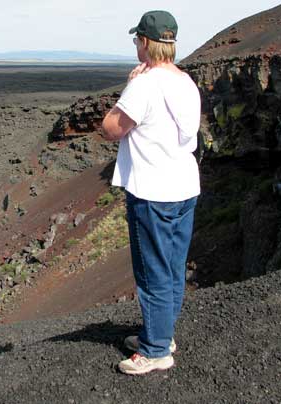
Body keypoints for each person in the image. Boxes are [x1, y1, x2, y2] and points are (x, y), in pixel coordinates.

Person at [101, 10, 201, 375]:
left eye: (136, 39)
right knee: (173, 266)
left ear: (145, 42)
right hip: (184, 187)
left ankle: (157, 350)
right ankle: (162, 334)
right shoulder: (186, 82)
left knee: (152, 271)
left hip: (153, 190)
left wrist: (128, 86)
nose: (135, 45)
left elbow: (111, 128)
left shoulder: (144, 84)